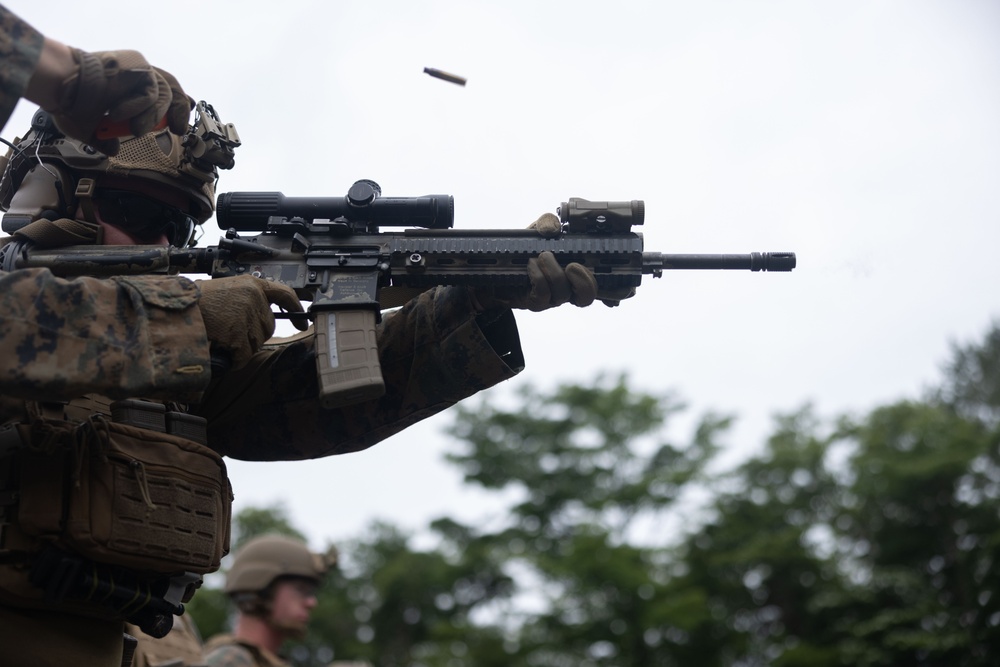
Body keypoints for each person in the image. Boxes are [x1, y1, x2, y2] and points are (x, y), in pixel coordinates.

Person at [0, 5, 609, 666]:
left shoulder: (158, 356)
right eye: (134, 212)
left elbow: (310, 400)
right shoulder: (92, 315)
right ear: (50, 198)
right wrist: (191, 316)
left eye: (176, 232)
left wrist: (474, 296)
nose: (158, 247)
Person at [203, 534, 344, 667]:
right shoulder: (231, 661)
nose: (311, 603)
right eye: (301, 589)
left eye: (310, 592)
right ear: (260, 589)